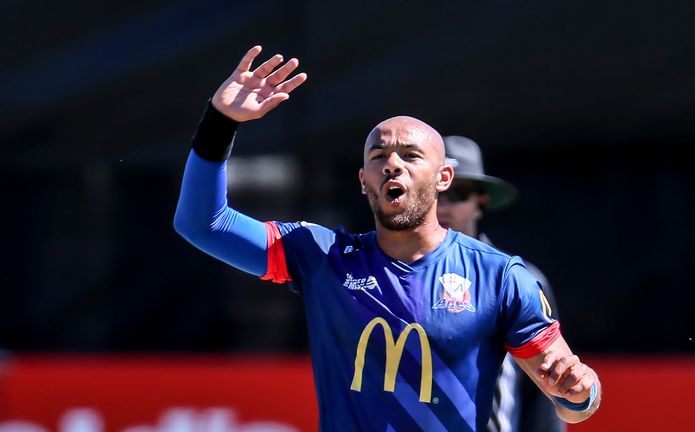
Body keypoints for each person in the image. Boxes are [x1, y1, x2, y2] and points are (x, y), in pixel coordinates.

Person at [174, 45, 601, 431]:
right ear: (364, 181)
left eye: (410, 156)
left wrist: (582, 391)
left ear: (443, 178)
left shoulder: (500, 275)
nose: (392, 164)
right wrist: (221, 122)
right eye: (379, 157)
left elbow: (569, 402)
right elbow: (202, 224)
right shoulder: (322, 257)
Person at [437, 136, 564, 432]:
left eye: (458, 193)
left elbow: (546, 389)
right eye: (435, 191)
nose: (443, 204)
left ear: (481, 200)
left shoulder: (518, 279)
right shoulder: (398, 275)